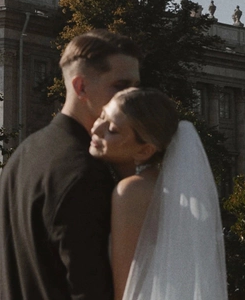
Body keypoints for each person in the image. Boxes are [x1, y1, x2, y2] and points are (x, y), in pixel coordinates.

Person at [0, 29, 141, 300]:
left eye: (136, 88)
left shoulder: (24, 154)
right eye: (121, 86)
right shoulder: (84, 173)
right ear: (81, 87)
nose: (131, 99)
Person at [90, 87, 228, 300]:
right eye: (101, 116)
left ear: (144, 150)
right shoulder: (168, 189)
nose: (97, 128)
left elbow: (125, 289)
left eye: (113, 130)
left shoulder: (132, 191)